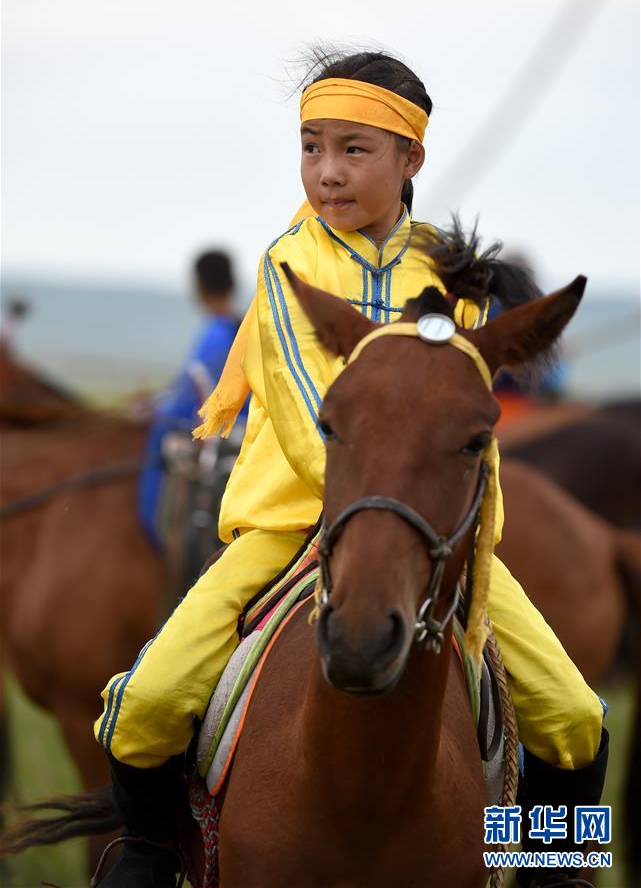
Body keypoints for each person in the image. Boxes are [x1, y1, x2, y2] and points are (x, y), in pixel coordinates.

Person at [94, 51, 608, 888]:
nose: (326, 171)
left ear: (411, 159)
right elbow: (306, 420)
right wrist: (368, 496)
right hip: (290, 523)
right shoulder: (286, 267)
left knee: (576, 716)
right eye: (310, 146)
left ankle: (546, 870)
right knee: (146, 703)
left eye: (354, 149)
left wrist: (429, 514)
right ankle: (151, 858)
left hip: (438, 537)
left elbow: (466, 408)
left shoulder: (450, 274)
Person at [137, 250, 244, 549]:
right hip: (237, 424)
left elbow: (192, 394)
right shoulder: (239, 325)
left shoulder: (215, 332)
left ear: (199, 285)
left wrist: (155, 409)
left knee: (160, 435)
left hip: (220, 431)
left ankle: (163, 534)